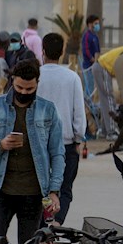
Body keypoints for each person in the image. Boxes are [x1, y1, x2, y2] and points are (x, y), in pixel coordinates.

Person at [0, 59, 64, 244]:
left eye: (29, 88)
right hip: (0, 192)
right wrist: (1, 145)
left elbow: (57, 153)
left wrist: (54, 190)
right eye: (19, 87)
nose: (24, 92)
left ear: (37, 84)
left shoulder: (48, 109)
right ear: (12, 81)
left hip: (33, 195)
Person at [36, 33, 86, 224]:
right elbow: (78, 112)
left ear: (43, 51)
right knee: (64, 188)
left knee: (40, 189)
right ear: (62, 51)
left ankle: (41, 224)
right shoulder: (72, 78)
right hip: (65, 143)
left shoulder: (36, 76)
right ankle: (56, 223)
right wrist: (78, 138)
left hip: (38, 142)